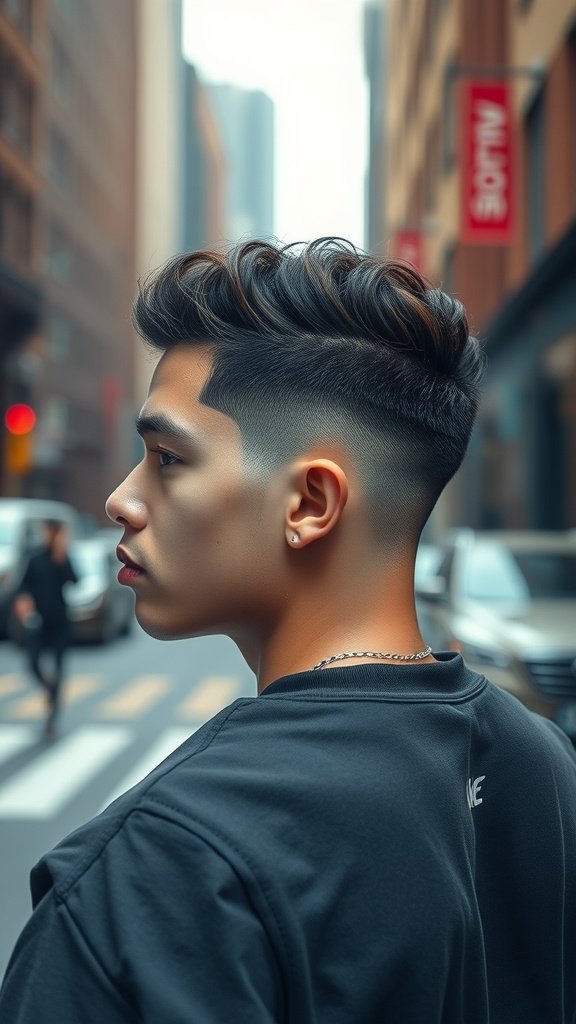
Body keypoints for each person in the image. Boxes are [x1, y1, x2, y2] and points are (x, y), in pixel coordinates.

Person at [1, 239, 575, 1022]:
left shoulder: (156, 878)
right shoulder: (549, 769)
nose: (120, 499)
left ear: (308, 503)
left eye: (168, 458)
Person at [12, 519, 77, 739]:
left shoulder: (62, 556)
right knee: (32, 662)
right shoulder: (34, 556)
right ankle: (49, 689)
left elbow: (75, 581)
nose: (47, 535)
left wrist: (62, 558)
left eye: (52, 532)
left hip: (59, 621)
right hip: (37, 621)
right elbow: (21, 586)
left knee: (59, 669)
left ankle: (52, 716)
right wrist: (23, 604)